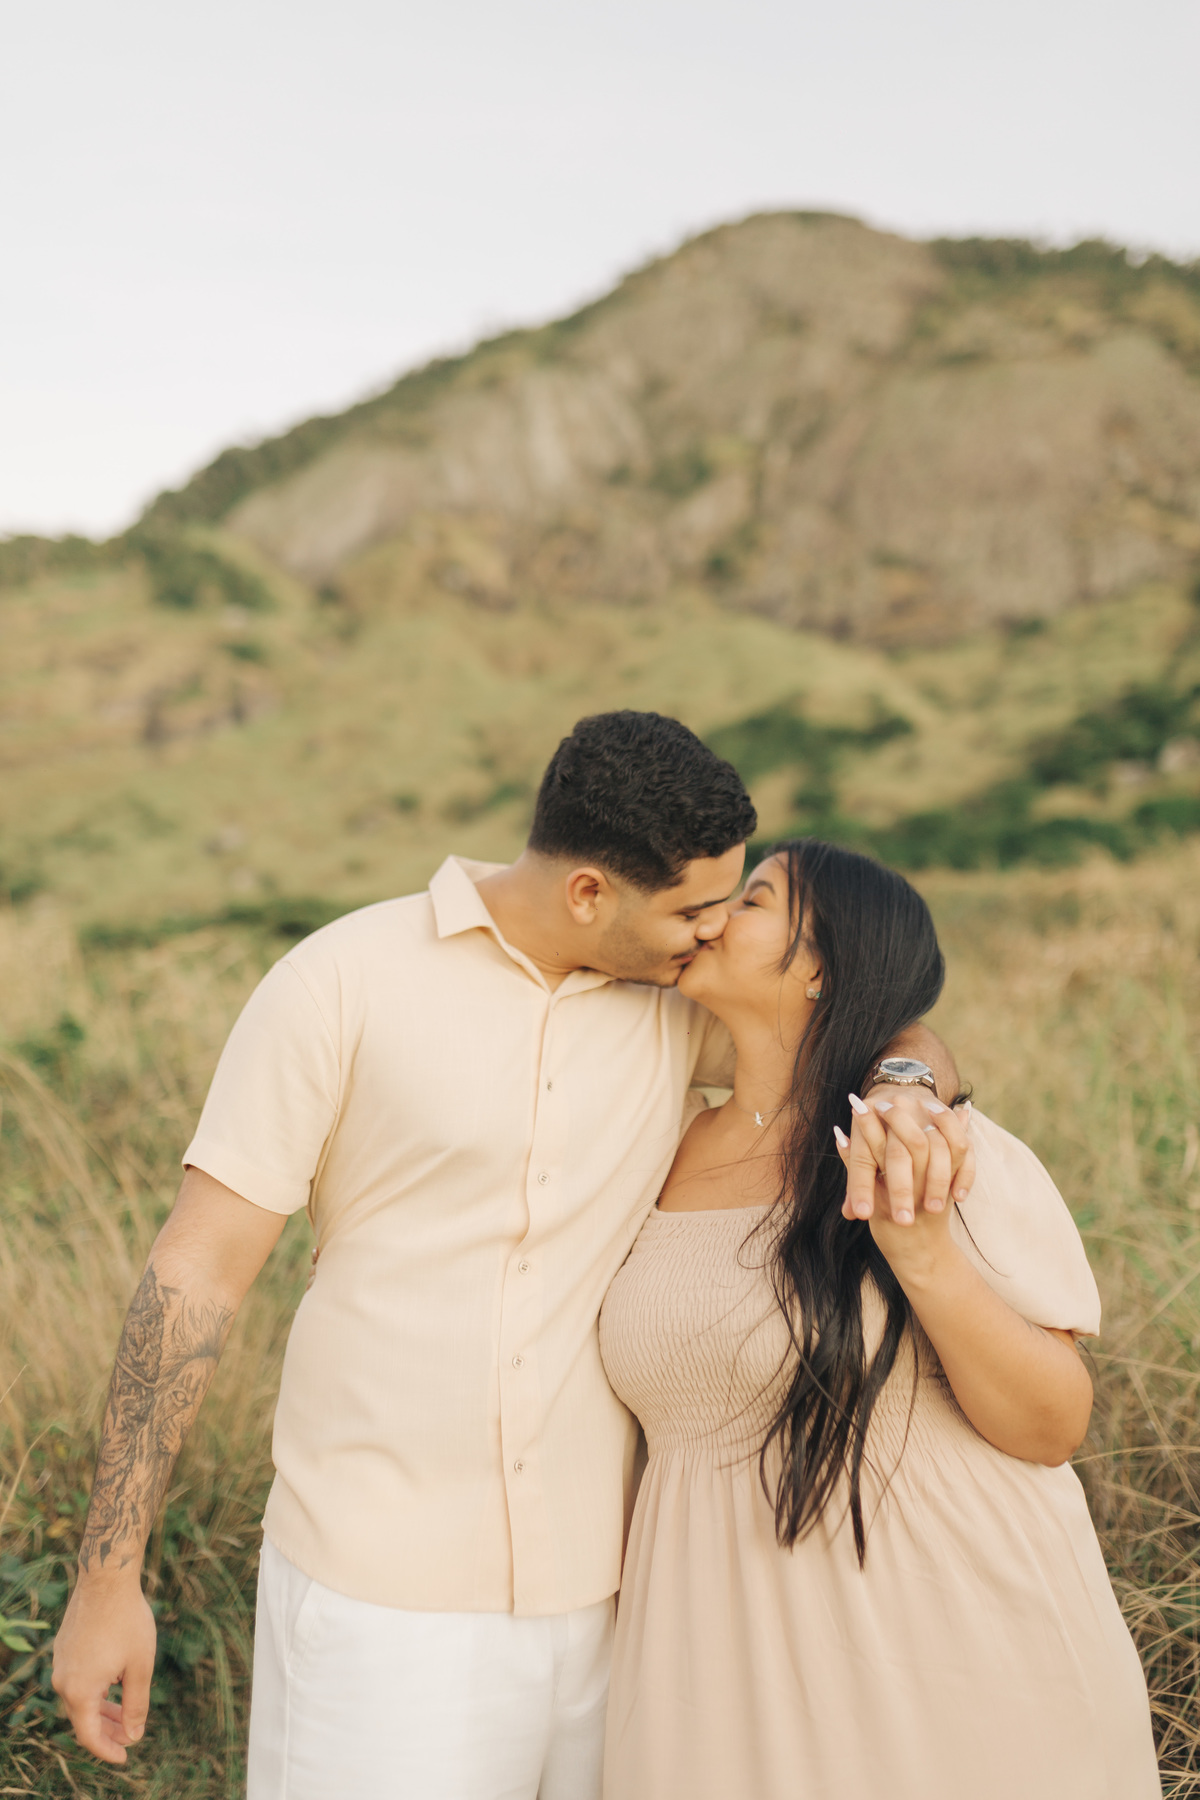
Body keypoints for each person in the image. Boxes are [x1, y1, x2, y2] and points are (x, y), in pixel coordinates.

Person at [52, 710, 966, 1799]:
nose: (715, 931)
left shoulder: (677, 1003)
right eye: (692, 909)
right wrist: (107, 1579)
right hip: (380, 1606)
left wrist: (907, 1088)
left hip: (612, 1600)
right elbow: (194, 1276)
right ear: (588, 894)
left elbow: (874, 1021)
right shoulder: (338, 980)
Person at [599, 837, 1161, 1800]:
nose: (714, 915)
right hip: (714, 1669)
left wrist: (923, 1252)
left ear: (821, 965)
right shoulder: (654, 1144)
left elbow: (1053, 1423)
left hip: (945, 1654)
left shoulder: (932, 1148)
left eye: (755, 899)